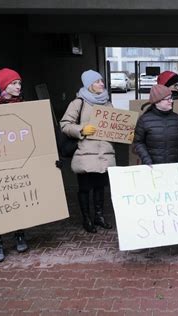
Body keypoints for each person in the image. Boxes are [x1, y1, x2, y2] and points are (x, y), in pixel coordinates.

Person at [60, 70, 114, 233]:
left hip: (103, 153)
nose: (101, 84)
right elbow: (65, 124)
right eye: (97, 82)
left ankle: (99, 216)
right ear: (89, 85)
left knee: (100, 187)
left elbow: (113, 125)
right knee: (85, 188)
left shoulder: (107, 103)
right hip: (84, 153)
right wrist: (82, 129)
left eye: (102, 81)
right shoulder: (78, 103)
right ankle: (87, 219)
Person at [0, 68, 28, 262]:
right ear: (4, 86)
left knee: (17, 197)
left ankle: (19, 233)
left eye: (19, 83)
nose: (18, 87)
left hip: (19, 160)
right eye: (13, 83)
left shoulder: (24, 106)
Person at [133, 84, 178, 165]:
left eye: (171, 98)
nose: (171, 101)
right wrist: (146, 159)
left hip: (174, 167)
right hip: (153, 168)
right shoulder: (144, 120)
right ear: (157, 101)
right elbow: (138, 143)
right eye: (168, 99)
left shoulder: (176, 119)